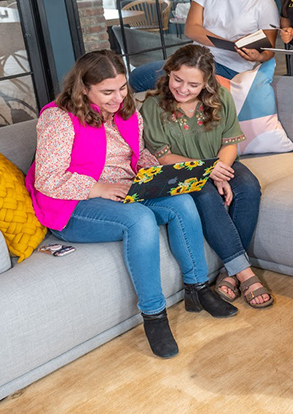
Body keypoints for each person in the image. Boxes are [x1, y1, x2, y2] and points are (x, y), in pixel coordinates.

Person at [25, 50, 237, 360]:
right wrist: (99, 187)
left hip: (124, 189)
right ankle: (154, 316)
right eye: (107, 92)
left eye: (122, 88)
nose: (118, 97)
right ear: (84, 88)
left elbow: (138, 155)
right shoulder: (57, 118)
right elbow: (47, 178)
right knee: (139, 219)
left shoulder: (127, 113)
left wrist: (157, 175)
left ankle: (198, 290)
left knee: (181, 202)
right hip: (74, 202)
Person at [140, 44, 272, 309]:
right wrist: (207, 171)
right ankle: (244, 272)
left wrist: (220, 172)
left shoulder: (221, 96)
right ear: (169, 72)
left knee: (248, 187)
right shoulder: (153, 105)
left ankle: (228, 273)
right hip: (182, 169)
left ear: (205, 83)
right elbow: (164, 156)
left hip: (219, 160)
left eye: (193, 84)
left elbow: (230, 141)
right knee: (205, 192)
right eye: (177, 79)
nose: (183, 89)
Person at [129, 0, 279, 92]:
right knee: (137, 78)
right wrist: (229, 44)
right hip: (196, 59)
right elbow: (191, 28)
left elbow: (269, 50)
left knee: (181, 85)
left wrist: (257, 56)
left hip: (231, 68)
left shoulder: (264, 2)